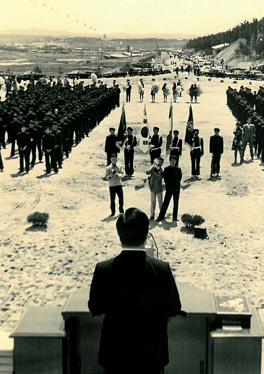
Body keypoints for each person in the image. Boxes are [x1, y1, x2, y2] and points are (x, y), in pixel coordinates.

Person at [88, 208, 182, 374]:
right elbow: (174, 308)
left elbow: (95, 307)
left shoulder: (103, 269)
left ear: (119, 235)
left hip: (115, 354)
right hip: (151, 354)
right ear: (146, 234)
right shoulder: (161, 269)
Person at [157, 155, 181, 221]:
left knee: (176, 203)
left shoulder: (178, 169)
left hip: (176, 188)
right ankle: (161, 216)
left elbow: (179, 178)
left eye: (174, 160)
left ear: (176, 161)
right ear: (169, 161)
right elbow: (165, 179)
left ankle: (175, 217)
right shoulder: (166, 169)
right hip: (169, 188)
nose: (173, 162)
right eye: (171, 160)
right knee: (166, 202)